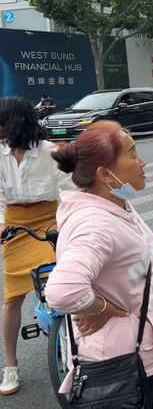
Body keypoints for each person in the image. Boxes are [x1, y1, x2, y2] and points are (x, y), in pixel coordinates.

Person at [46, 121, 153, 408]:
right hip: (123, 367)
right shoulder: (96, 224)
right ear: (104, 174)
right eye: (133, 154)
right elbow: (62, 291)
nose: (142, 161)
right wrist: (104, 309)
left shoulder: (114, 203)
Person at [0, 97, 73, 396]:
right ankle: (10, 364)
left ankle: (81, 344)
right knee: (12, 298)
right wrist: (2, 222)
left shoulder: (51, 152)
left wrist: (71, 223)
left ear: (14, 122)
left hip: (51, 217)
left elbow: (69, 191)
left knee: (66, 279)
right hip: (15, 223)